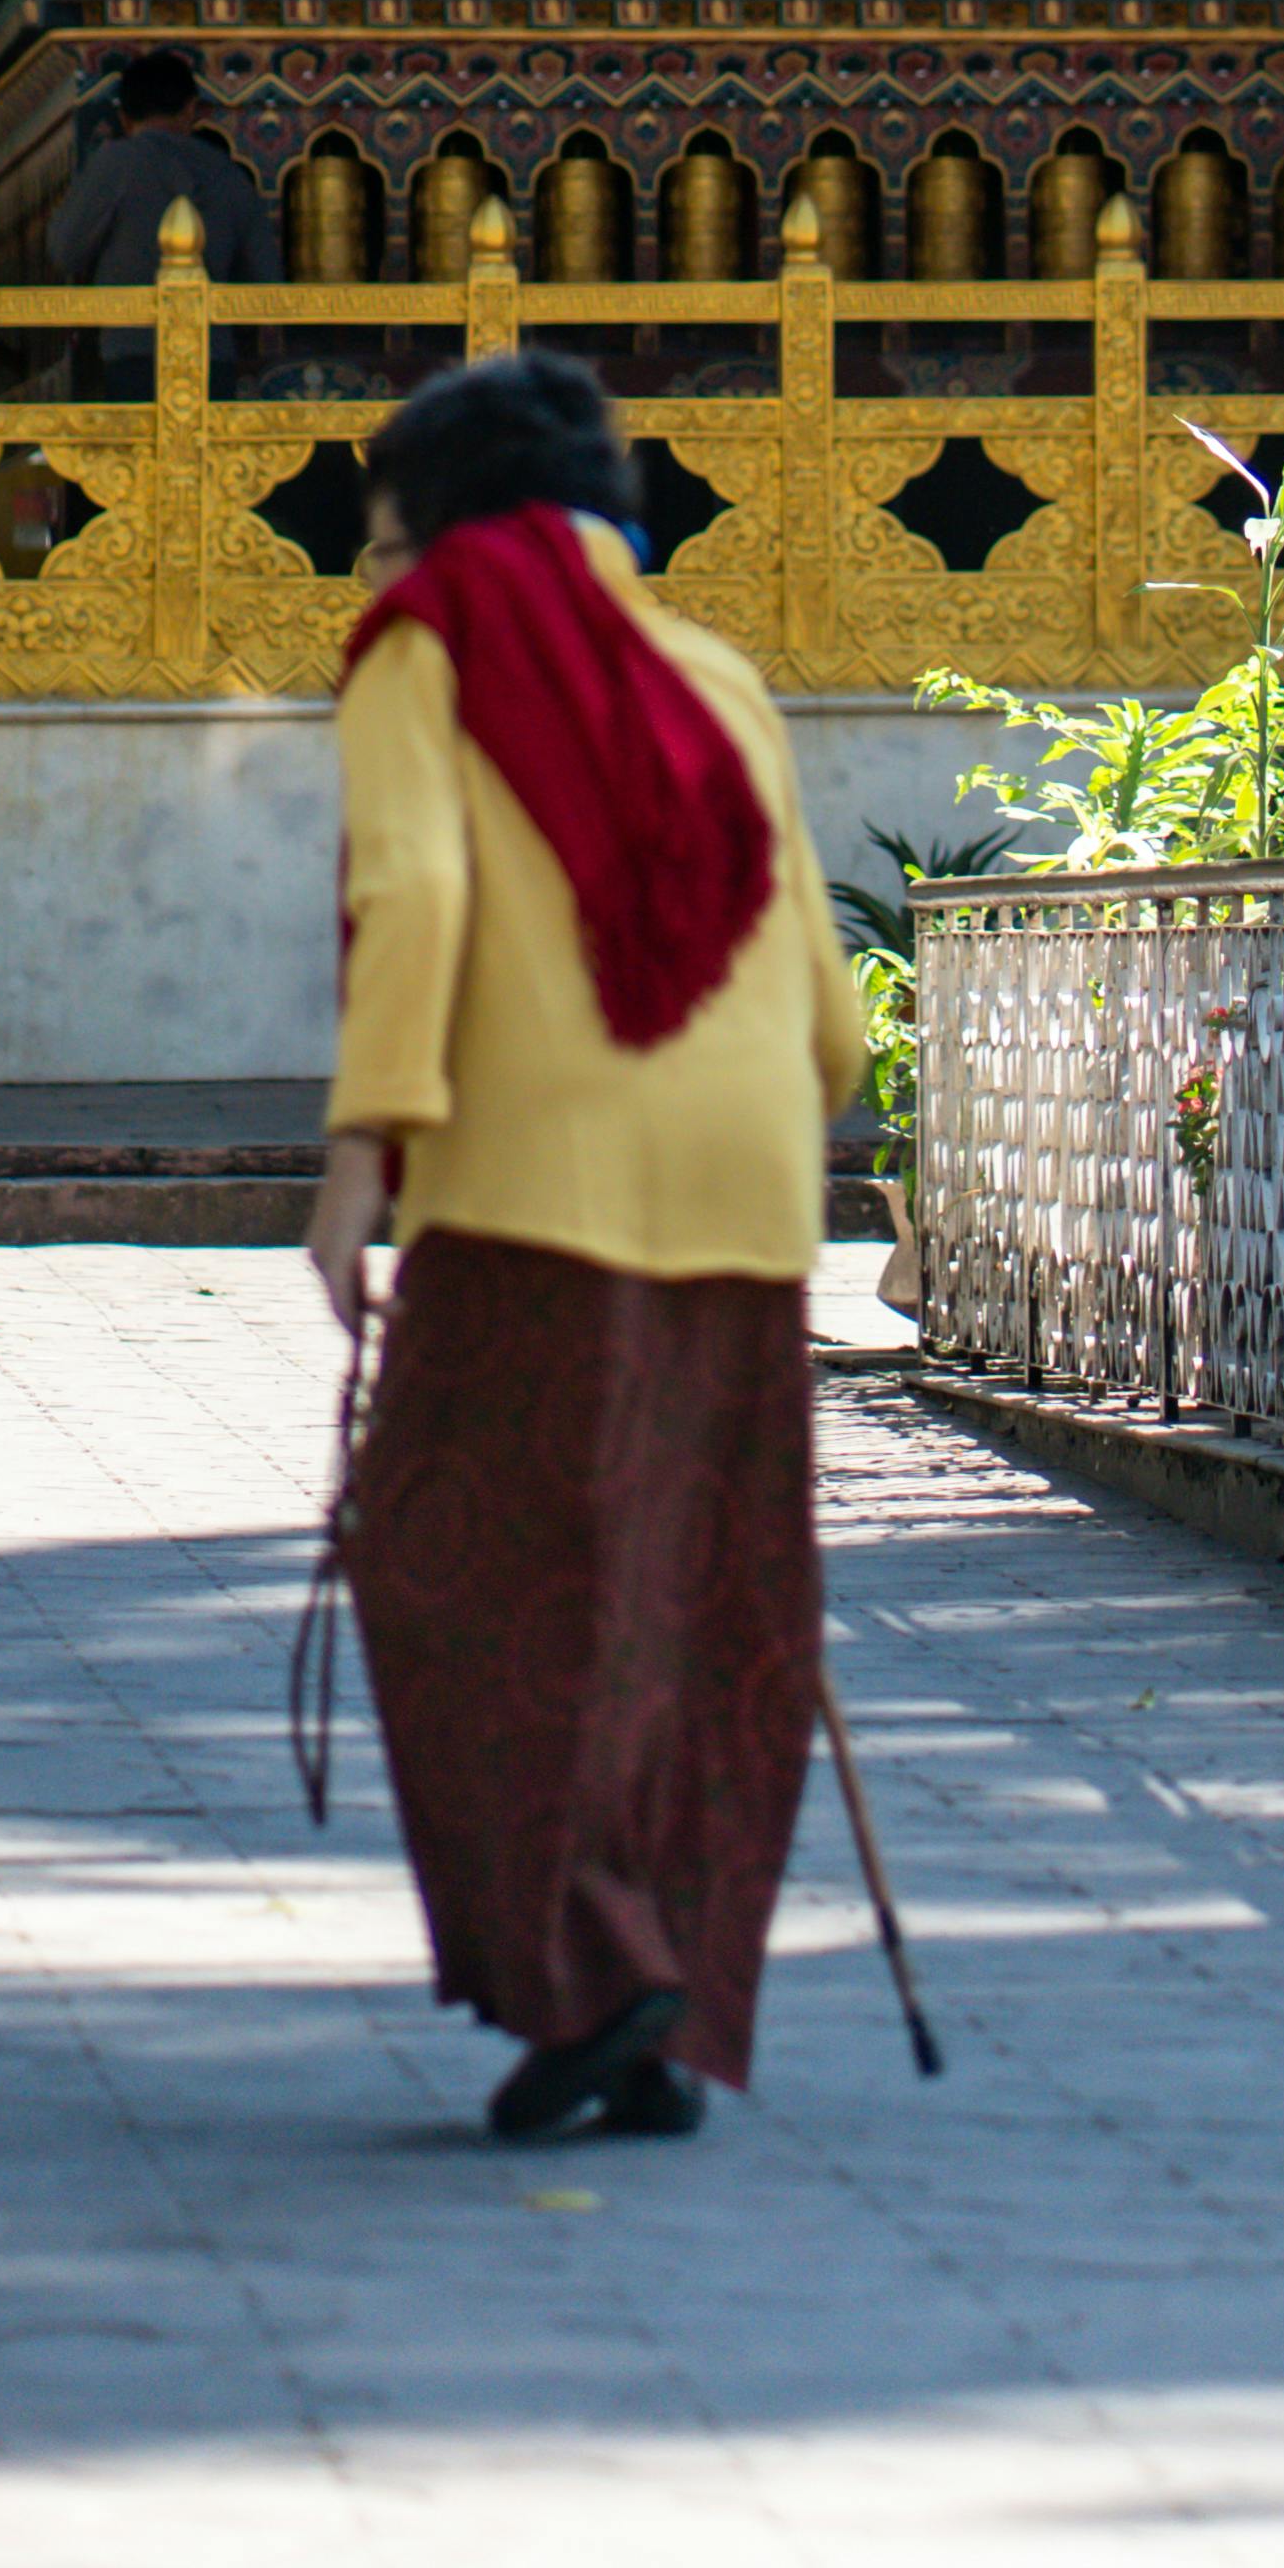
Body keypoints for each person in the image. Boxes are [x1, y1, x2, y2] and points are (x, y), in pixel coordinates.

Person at [305, 346, 866, 2144]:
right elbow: (822, 979)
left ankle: (590, 1966)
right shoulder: (713, 668)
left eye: (384, 535)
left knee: (462, 1574)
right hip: (747, 1175)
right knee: (691, 1593)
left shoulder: (425, 646)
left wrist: (359, 1147)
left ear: (438, 523)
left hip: (536, 1174)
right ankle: (660, 1969)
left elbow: (418, 888)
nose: (377, 572)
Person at [38, 46, 278, 396]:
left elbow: (64, 251)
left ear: (125, 117)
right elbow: (267, 282)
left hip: (132, 355)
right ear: (191, 109)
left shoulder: (115, 164)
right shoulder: (227, 175)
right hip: (212, 359)